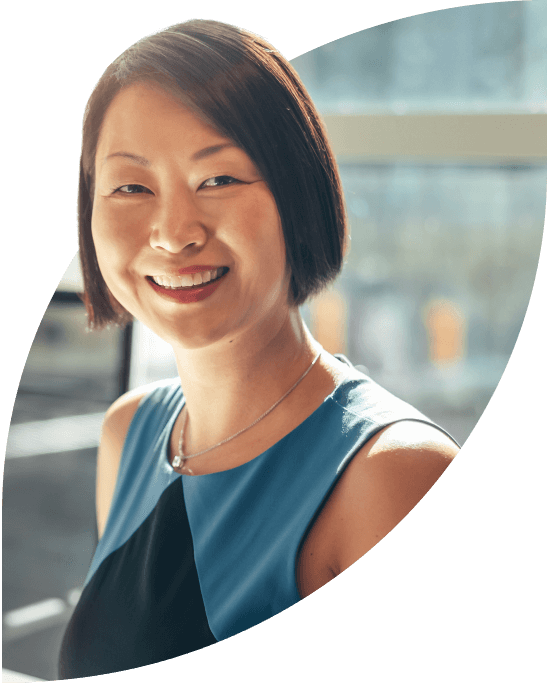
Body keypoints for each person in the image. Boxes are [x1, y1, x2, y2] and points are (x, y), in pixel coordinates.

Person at [59, 19, 461, 677]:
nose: (172, 233)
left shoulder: (393, 477)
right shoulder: (128, 434)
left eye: (217, 179)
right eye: (132, 186)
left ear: (295, 195)